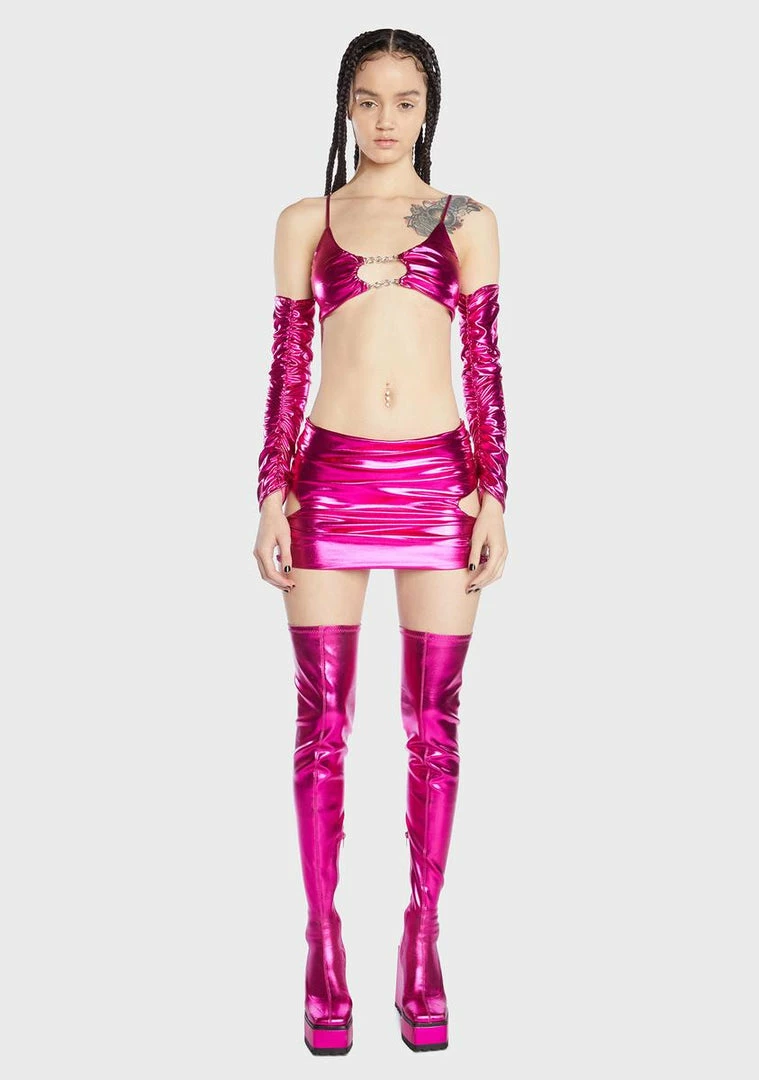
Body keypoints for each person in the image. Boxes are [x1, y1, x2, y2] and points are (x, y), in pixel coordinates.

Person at [253, 28, 509, 1055]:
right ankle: (322, 944)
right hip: (329, 479)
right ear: (345, 106)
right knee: (322, 723)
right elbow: (286, 365)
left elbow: (485, 362)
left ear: (428, 107)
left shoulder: (467, 220)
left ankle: (422, 939)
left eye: (405, 100)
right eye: (368, 100)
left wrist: (495, 494)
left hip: (440, 481)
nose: (386, 119)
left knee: (432, 723)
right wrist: (271, 493)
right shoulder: (304, 221)